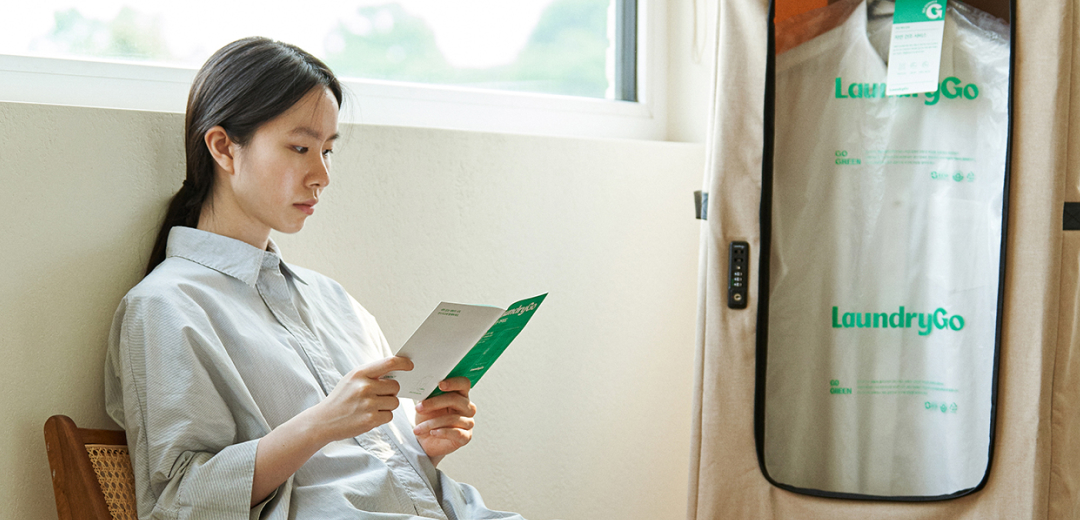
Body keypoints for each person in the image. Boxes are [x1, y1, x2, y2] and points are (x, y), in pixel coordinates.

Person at [103, 37, 523, 519]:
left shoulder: (334, 300)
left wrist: (426, 442)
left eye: (327, 150)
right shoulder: (165, 307)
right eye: (301, 147)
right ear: (223, 147)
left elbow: (366, 464)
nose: (321, 174)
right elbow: (177, 502)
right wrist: (320, 424)